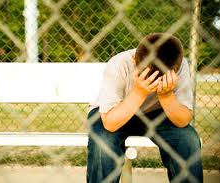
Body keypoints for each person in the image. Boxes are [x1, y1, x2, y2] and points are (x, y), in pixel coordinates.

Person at [86, 33, 203, 183]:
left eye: (159, 79)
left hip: (158, 113)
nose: (153, 82)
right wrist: (139, 92)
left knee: (188, 140)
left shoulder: (178, 65)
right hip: (114, 111)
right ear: (134, 61)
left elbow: (183, 120)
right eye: (148, 76)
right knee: (103, 143)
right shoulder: (119, 63)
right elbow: (109, 123)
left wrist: (166, 95)